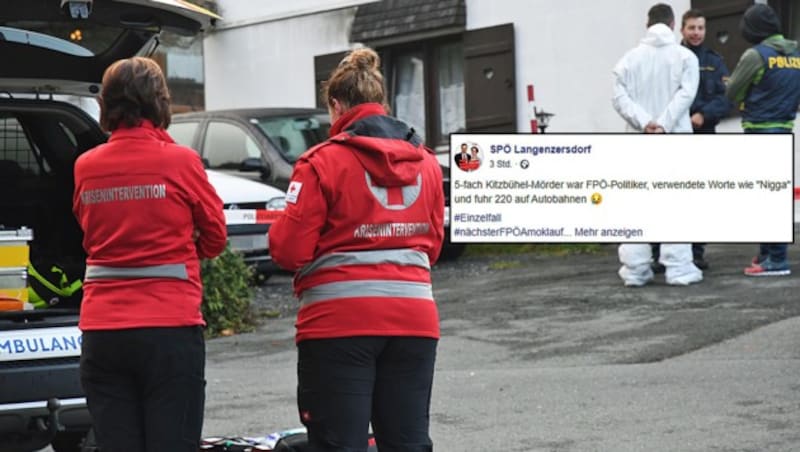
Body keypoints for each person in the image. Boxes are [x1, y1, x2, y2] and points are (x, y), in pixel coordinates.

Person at [269, 47, 444, 451]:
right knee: (407, 442)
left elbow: (288, 251)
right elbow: (431, 247)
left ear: (335, 104)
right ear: (382, 104)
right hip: (414, 319)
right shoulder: (427, 162)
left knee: (338, 443)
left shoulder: (320, 163)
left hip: (337, 323)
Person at [73, 56, 227, 451]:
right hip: (169, 329)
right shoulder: (180, 162)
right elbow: (215, 237)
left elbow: (86, 230)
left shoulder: (85, 166)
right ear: (159, 101)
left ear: (106, 104)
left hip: (103, 331)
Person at [611, 3, 703, 287]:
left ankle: (635, 269)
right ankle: (679, 268)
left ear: (646, 24)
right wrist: (663, 123)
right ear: (674, 25)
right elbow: (686, 95)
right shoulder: (685, 57)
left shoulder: (627, 60)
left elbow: (618, 97)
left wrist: (645, 122)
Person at [652, 8, 734, 273]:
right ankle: (660, 253)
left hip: (703, 136)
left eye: (700, 28)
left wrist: (703, 115)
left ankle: (696, 252)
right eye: (691, 28)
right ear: (681, 30)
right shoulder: (668, 59)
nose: (696, 33)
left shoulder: (714, 61)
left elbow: (726, 97)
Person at [725, 3, 799, 276]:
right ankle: (767, 253)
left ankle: (776, 259)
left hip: (759, 129)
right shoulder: (795, 54)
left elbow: (732, 92)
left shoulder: (756, 55)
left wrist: (735, 89)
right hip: (783, 128)